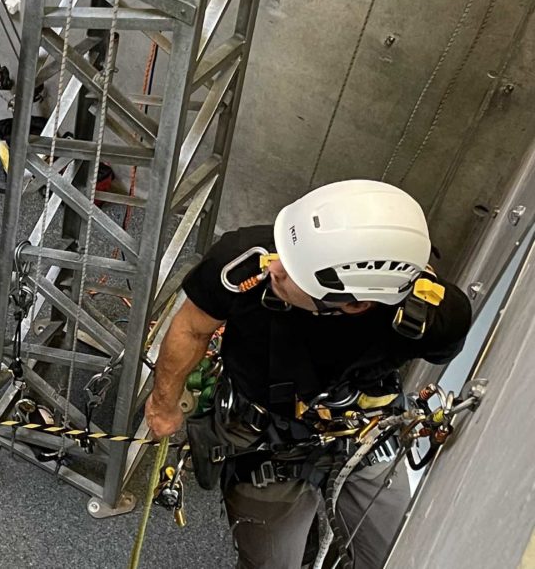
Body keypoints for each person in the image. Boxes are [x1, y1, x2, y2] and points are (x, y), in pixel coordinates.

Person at [145, 180, 472, 568]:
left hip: (362, 434)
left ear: (355, 304)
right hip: (262, 441)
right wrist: (164, 404)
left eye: (297, 271)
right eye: (286, 249)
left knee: (394, 556)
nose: (276, 267)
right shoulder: (242, 262)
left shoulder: (432, 317)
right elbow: (191, 329)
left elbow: (442, 344)